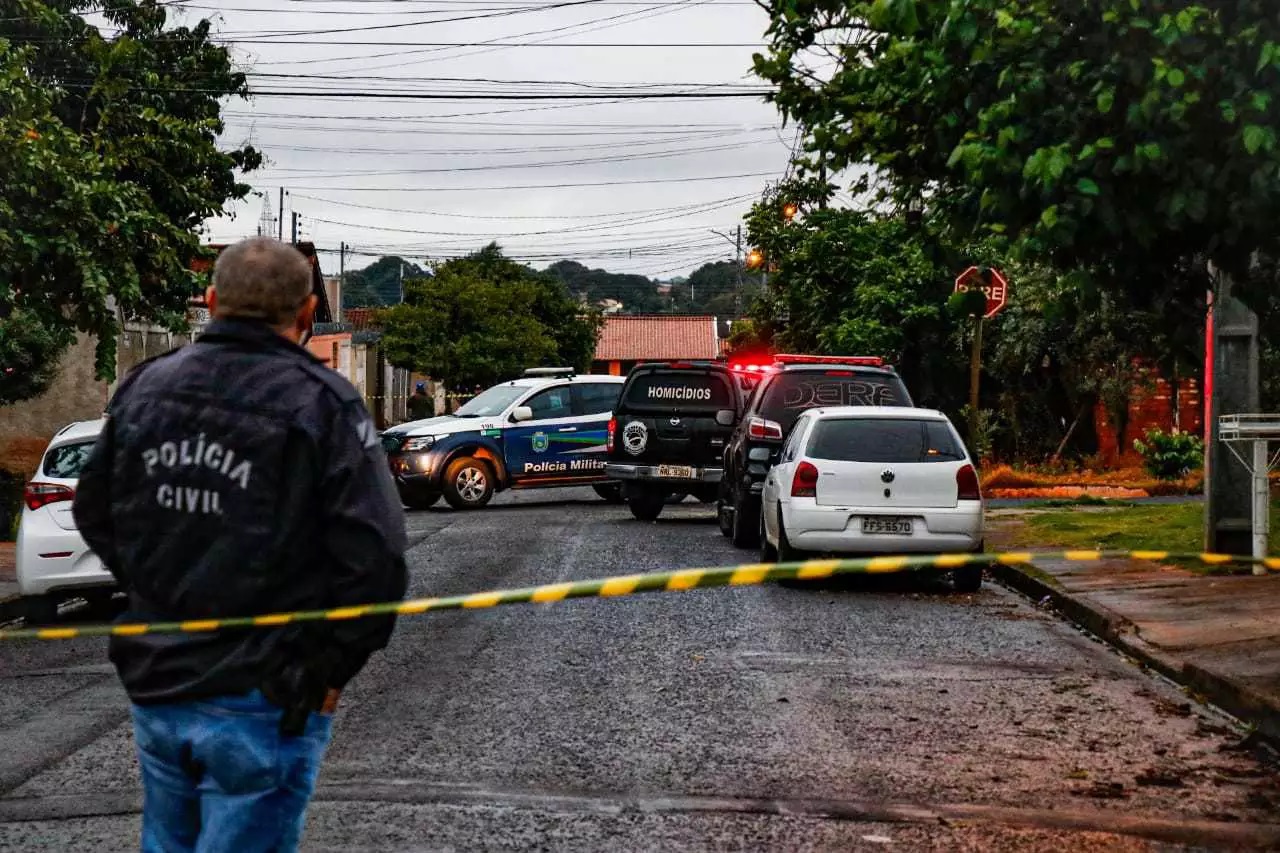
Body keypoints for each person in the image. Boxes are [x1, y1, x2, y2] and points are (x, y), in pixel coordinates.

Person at [73, 237, 408, 853]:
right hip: (267, 692)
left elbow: (93, 511)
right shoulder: (324, 402)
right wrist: (327, 673)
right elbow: (376, 559)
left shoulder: (145, 386)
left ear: (210, 300)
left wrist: (151, 590)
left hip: (158, 678)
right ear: (308, 313)